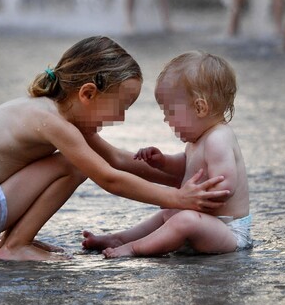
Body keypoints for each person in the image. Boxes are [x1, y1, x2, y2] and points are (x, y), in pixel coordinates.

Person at [0, 36, 230, 261]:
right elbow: (109, 177)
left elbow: (118, 159)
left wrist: (181, 179)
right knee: (72, 165)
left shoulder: (64, 116)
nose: (120, 119)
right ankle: (16, 246)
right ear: (87, 94)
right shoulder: (51, 122)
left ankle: (11, 241)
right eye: (120, 108)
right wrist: (178, 199)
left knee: (74, 161)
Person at [82, 51, 251, 258]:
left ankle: (135, 248)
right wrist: (162, 162)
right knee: (169, 213)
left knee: (182, 219)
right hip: (207, 224)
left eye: (169, 112)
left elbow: (224, 188)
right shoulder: (198, 140)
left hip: (229, 231)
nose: (166, 120)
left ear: (199, 108)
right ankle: (121, 238)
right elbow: (186, 167)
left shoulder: (218, 139)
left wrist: (185, 199)